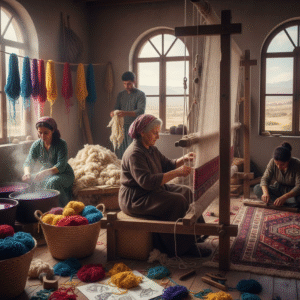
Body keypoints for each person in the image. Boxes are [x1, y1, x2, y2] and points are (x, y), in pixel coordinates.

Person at [119, 114, 211, 257]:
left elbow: (167, 164)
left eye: (158, 132)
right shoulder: (134, 154)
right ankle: (182, 248)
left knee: (186, 192)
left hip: (150, 191)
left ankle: (196, 234)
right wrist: (176, 173)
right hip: (136, 198)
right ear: (142, 132)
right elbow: (147, 182)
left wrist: (184, 159)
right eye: (154, 132)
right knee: (177, 201)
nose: (158, 136)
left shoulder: (151, 148)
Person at [22, 116, 75, 207]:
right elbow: (28, 162)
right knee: (33, 179)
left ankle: (63, 207)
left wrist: (44, 173)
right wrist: (27, 173)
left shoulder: (61, 144)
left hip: (64, 174)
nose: (42, 136)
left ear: (53, 131)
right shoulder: (36, 145)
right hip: (47, 173)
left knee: (53, 182)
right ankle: (43, 207)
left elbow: (61, 165)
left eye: (46, 133)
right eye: (40, 133)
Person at [110, 71, 146, 159]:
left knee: (132, 152)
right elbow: (116, 108)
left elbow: (140, 111)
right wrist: (113, 113)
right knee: (120, 152)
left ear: (134, 81)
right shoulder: (121, 94)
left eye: (129, 84)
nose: (127, 86)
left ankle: (132, 171)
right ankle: (121, 171)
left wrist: (125, 113)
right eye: (124, 84)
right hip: (121, 128)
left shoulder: (140, 94)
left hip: (134, 128)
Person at [253, 142, 300, 207]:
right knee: (257, 188)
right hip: (278, 188)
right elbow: (265, 179)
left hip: (292, 192)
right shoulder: (272, 162)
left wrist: (284, 197)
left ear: (288, 160)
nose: (278, 167)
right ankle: (286, 203)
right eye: (276, 164)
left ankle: (282, 202)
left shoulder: (297, 164)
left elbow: (299, 186)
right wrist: (265, 193)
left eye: (282, 164)